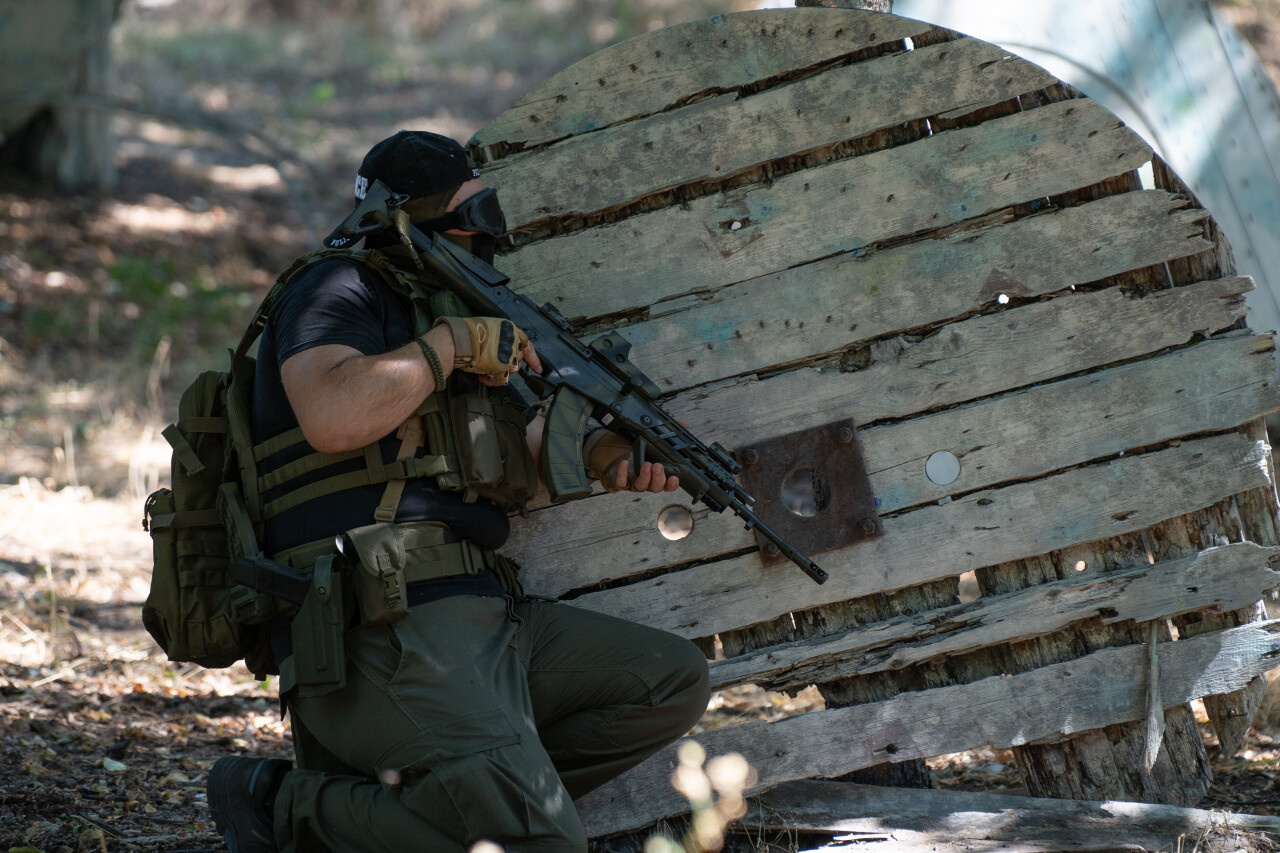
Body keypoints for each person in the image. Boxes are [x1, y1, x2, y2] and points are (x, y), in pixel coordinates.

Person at [205, 130, 711, 853]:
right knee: (541, 845)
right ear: (407, 218)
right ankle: (284, 805)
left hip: (485, 613)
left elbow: (506, 449)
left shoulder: (446, 308)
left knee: (669, 680)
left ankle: (440, 809)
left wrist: (606, 453)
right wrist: (450, 346)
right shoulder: (336, 287)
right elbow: (333, 414)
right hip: (383, 626)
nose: (489, 234)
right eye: (475, 214)